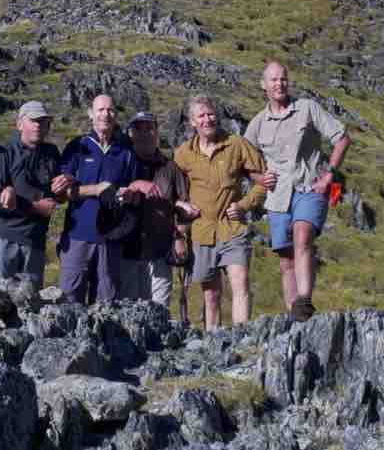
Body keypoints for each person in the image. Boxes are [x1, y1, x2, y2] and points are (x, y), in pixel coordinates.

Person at [246, 60, 350, 321]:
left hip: (310, 186)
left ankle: (304, 301)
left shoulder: (307, 108)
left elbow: (342, 138)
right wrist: (258, 177)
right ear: (264, 86)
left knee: (302, 235)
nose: (279, 84)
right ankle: (294, 314)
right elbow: (242, 159)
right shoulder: (258, 123)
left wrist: (329, 175)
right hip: (278, 196)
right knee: (285, 259)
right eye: (274, 80)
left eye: (283, 78)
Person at [173, 95, 269, 331]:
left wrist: (244, 205)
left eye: (211, 114)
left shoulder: (236, 144)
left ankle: (242, 337)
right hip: (201, 232)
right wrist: (180, 211)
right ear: (192, 122)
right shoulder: (183, 154)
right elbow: (173, 191)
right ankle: (212, 342)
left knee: (240, 284)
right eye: (201, 116)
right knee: (211, 294)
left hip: (232, 228)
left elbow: (263, 179)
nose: (208, 119)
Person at [56, 94, 141, 303]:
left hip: (111, 239)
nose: (106, 114)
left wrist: (130, 195)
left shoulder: (126, 152)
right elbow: (63, 193)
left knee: (106, 303)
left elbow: (135, 191)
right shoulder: (77, 146)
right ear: (90, 114)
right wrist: (96, 190)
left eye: (110, 110)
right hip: (78, 236)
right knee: (69, 300)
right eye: (101, 109)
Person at [0, 101, 69, 287]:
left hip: (35, 242)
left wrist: (65, 186)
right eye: (34, 120)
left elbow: (59, 195)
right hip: (4, 241)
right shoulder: (3, 153)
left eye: (43, 121)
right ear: (20, 124)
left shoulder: (52, 153)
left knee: (30, 306)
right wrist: (34, 207)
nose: (39, 125)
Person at [117, 111, 189, 307]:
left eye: (150, 128)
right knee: (127, 311)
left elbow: (183, 207)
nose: (144, 134)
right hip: (126, 251)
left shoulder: (171, 168)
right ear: (130, 134)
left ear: (157, 133)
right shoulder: (120, 164)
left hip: (160, 252)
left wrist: (180, 238)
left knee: (159, 311)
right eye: (138, 129)